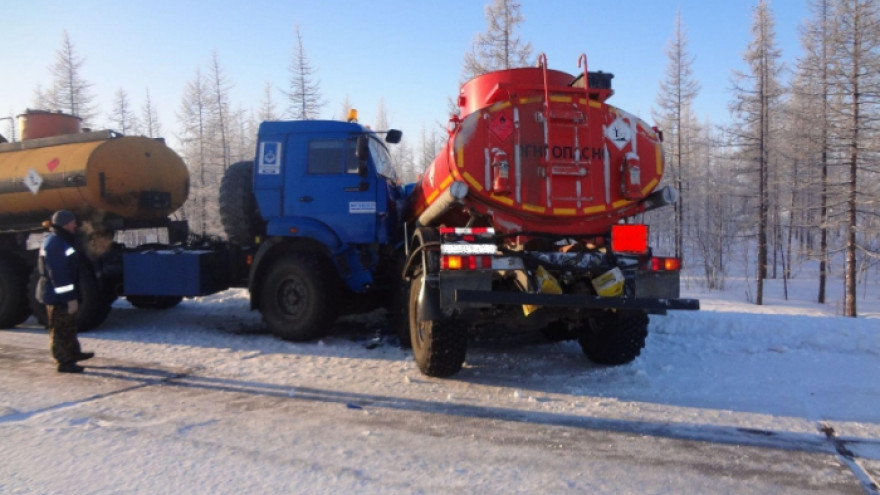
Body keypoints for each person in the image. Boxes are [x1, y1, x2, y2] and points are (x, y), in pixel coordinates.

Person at [36, 210, 94, 373]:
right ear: (65, 224)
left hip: (59, 294)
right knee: (60, 329)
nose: (75, 225)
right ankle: (63, 362)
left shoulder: (59, 240)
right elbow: (59, 275)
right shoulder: (56, 243)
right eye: (72, 222)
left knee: (68, 326)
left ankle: (73, 353)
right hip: (57, 296)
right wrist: (69, 298)